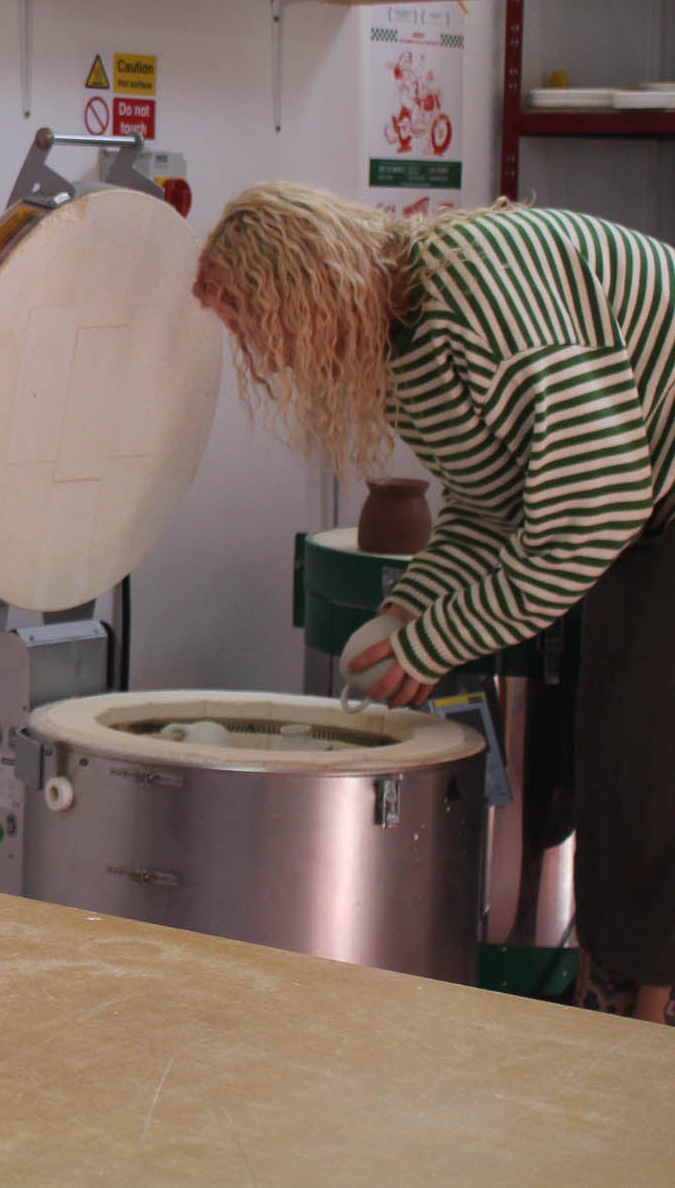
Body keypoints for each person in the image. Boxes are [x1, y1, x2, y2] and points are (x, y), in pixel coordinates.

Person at [193, 181, 673, 1024]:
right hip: (652, 511)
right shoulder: (405, 342)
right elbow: (493, 505)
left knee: (650, 774)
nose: (266, 361)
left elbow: (595, 507)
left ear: (302, 296)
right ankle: (623, 1009)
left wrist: (433, 643)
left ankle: (647, 1029)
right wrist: (414, 610)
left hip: (649, 504)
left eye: (258, 330)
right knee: (618, 768)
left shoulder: (471, 301)